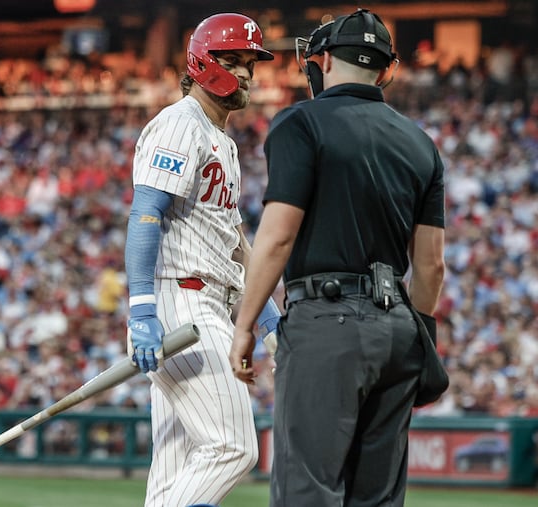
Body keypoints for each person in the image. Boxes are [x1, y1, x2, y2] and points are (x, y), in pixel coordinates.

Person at [229, 8, 446, 506]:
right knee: (376, 498)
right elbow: (431, 265)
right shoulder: (421, 143)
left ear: (322, 60)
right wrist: (422, 336)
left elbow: (278, 237)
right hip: (399, 329)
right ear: (387, 70)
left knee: (309, 490)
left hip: (327, 321)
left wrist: (245, 323)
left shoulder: (300, 122)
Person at [124, 12, 280, 507]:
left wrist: (267, 314)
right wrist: (143, 307)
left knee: (174, 471)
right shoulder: (178, 125)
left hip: (208, 299)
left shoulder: (224, 143)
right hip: (180, 302)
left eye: (251, 64)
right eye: (237, 62)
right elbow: (146, 212)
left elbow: (232, 237)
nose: (248, 75)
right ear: (205, 63)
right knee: (233, 447)